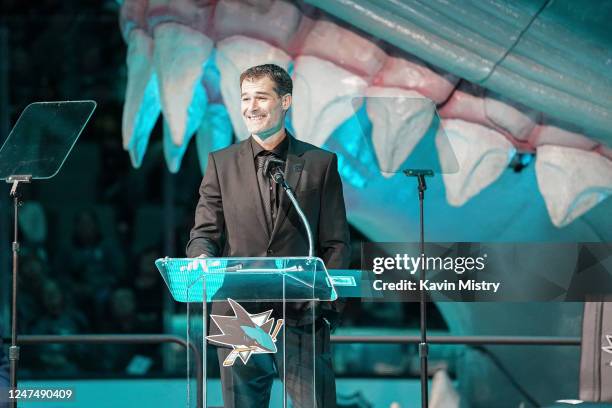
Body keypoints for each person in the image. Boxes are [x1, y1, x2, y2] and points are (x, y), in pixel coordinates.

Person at [186, 64, 350, 407]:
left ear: (285, 101)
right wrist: (201, 258)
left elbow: (334, 242)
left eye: (261, 97)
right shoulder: (221, 163)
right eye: (245, 98)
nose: (251, 107)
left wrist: (327, 306)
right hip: (238, 315)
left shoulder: (319, 163)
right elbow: (204, 233)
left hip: (302, 313)